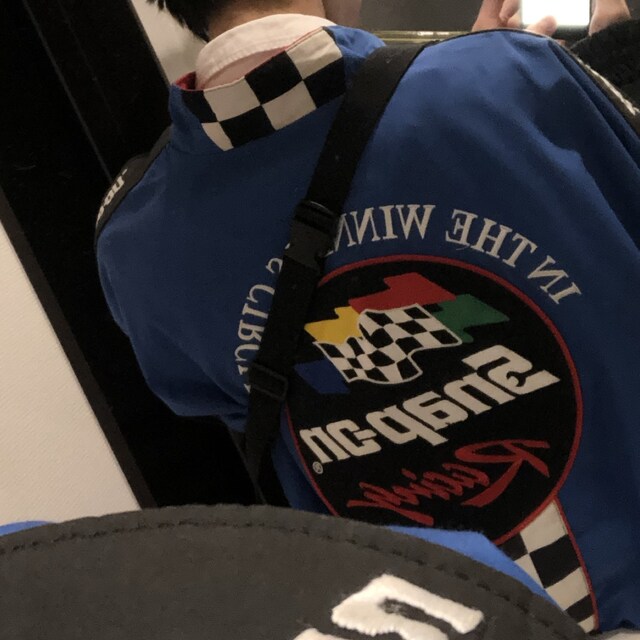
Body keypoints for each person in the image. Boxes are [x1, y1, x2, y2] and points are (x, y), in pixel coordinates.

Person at [94, 0, 640, 633]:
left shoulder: (134, 240)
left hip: (443, 617)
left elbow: (230, 410)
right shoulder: (513, 80)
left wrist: (441, 80)